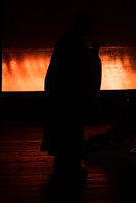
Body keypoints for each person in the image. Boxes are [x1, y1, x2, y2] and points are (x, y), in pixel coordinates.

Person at [42, 13, 102, 176]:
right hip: (69, 93)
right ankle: (70, 158)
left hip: (62, 92)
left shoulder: (67, 40)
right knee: (71, 125)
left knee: (65, 125)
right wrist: (94, 55)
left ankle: (64, 156)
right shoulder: (75, 42)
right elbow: (82, 66)